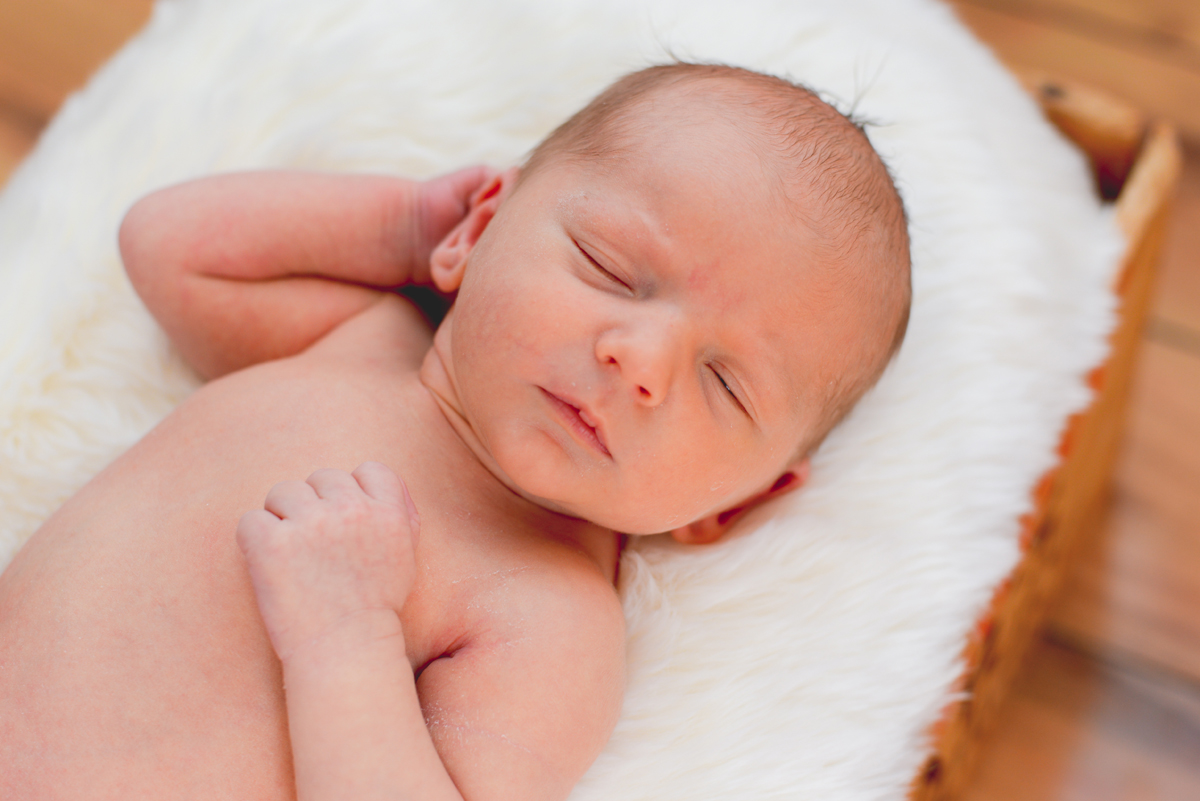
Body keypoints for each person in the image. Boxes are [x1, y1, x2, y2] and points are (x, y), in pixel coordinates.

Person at [0, 63, 910, 800]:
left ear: (743, 500)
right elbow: (167, 244)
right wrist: (407, 229)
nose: (641, 360)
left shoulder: (548, 618)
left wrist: (346, 638)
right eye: (610, 267)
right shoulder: (366, 339)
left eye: (724, 384)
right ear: (481, 229)